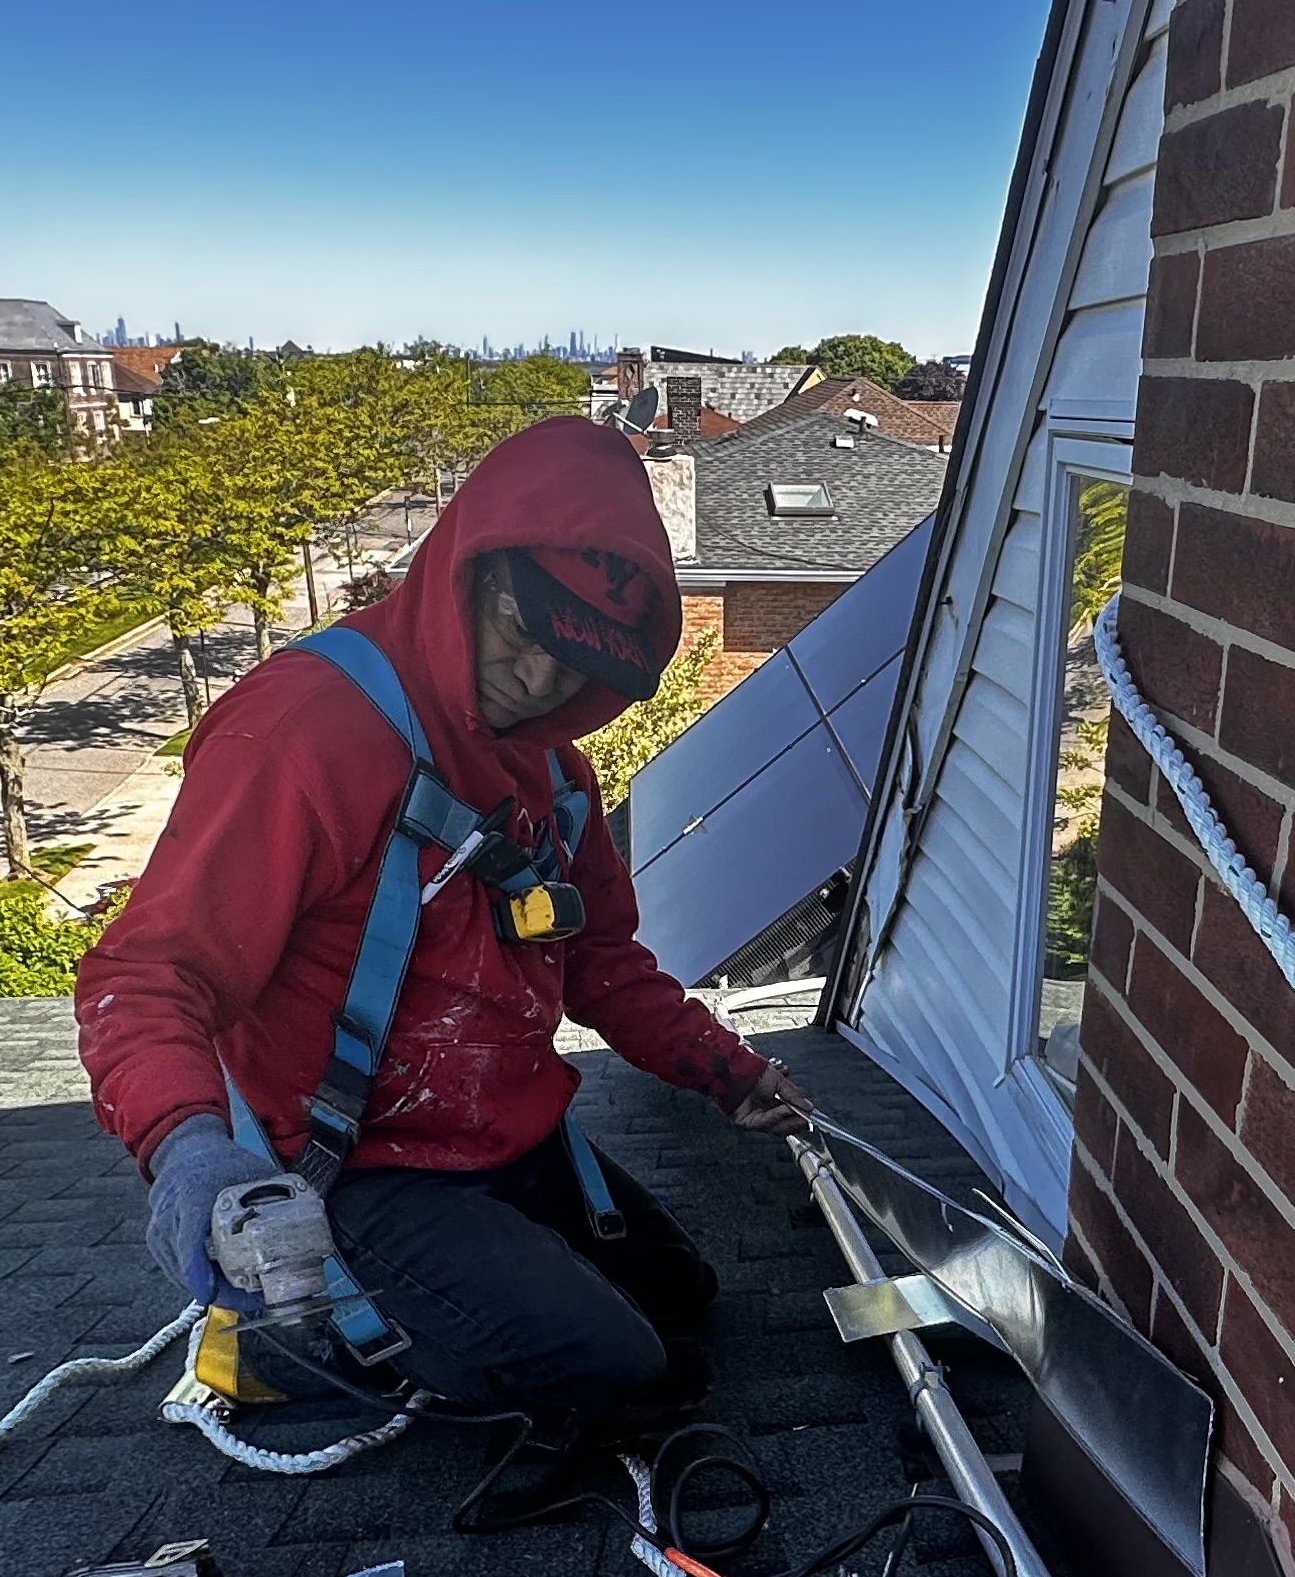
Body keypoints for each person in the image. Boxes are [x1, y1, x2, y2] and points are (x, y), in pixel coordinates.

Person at [74, 415, 811, 1489]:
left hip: (502, 1140)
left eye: (578, 664)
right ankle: (301, 1336)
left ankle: (481, 1299)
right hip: (354, 1165)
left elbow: (600, 960)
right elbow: (147, 976)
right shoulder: (311, 730)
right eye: (526, 629)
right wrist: (188, 1148)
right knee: (619, 1373)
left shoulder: (554, 778)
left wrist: (726, 1072)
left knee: (683, 1300)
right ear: (471, 567)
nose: (540, 679)